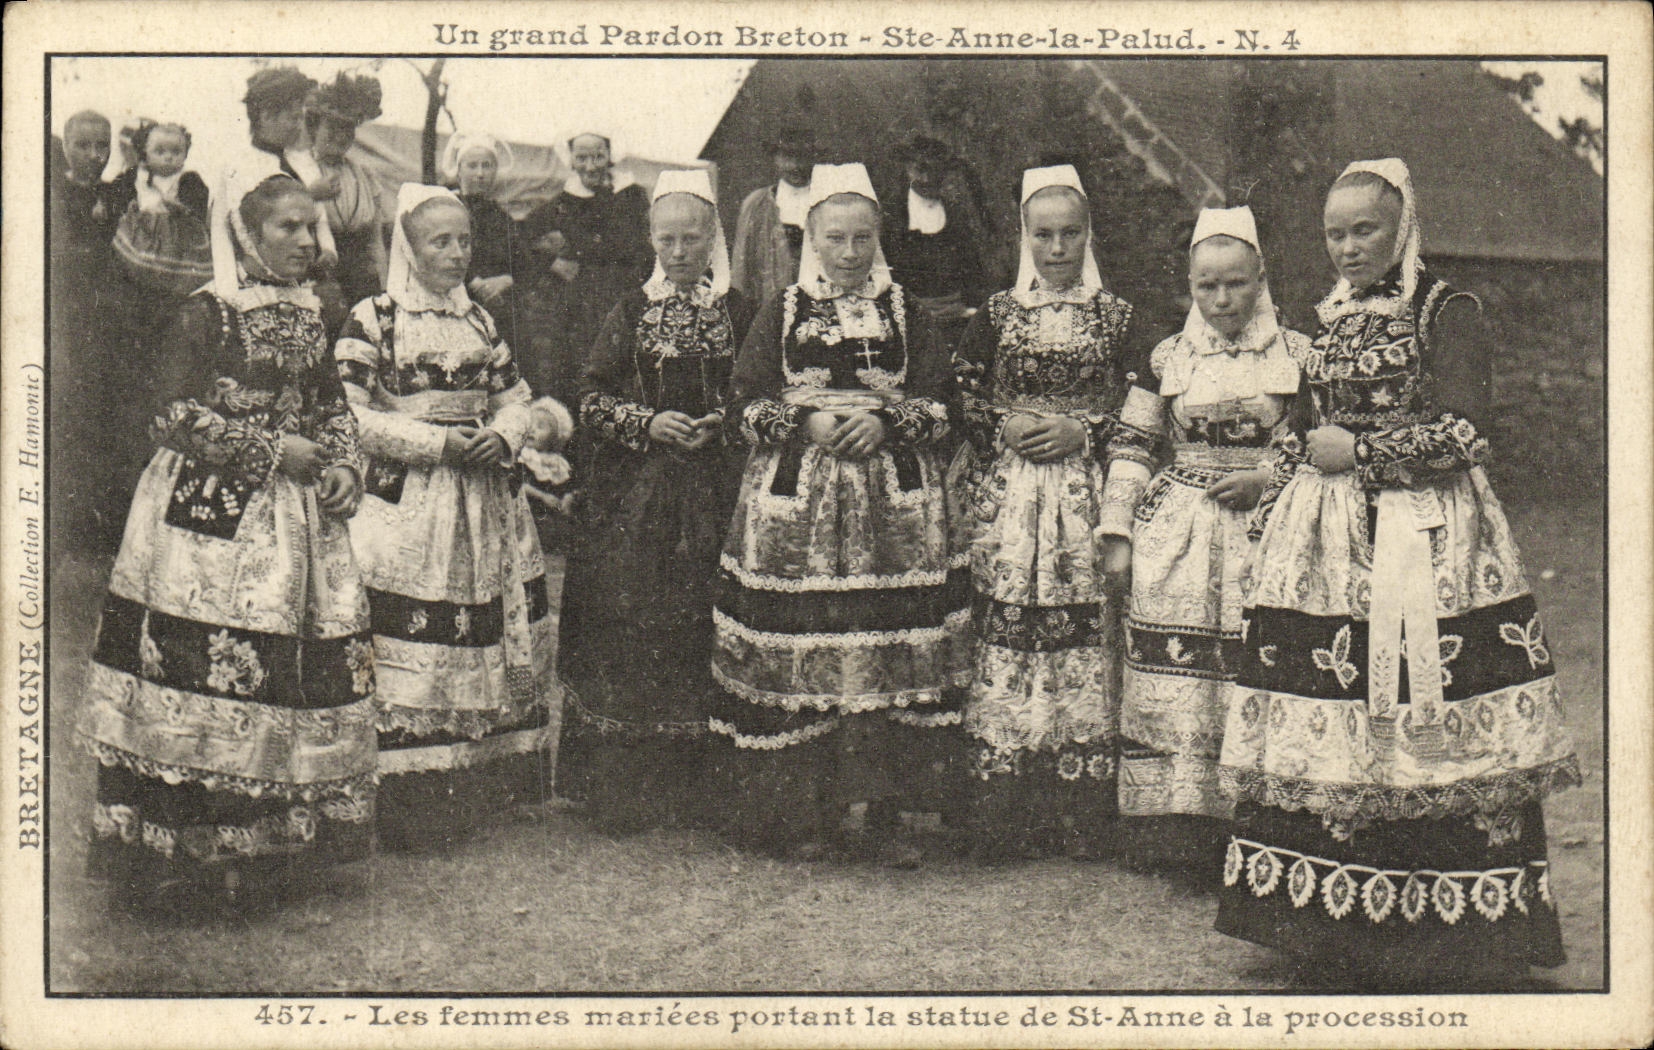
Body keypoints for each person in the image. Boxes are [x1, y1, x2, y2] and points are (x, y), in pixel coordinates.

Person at [1214, 159, 1579, 988]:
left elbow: (1467, 431)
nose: (1347, 248)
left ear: (1402, 226)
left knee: (1425, 706)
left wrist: (1367, 452)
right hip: (1329, 545)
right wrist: (1273, 475)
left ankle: (1453, 934)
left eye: (1364, 230)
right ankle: (1335, 932)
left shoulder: (1447, 309)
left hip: (1429, 539)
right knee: (1337, 712)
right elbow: (1306, 423)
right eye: (1335, 233)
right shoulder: (1330, 319)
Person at [76, 172, 376, 910]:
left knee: (285, 665)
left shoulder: (312, 312)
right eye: (288, 228)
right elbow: (167, 413)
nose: (308, 241)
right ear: (244, 234)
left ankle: (269, 848)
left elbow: (333, 406)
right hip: (206, 518)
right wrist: (270, 450)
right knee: (205, 663)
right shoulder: (208, 314)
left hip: (295, 520)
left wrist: (343, 464)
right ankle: (182, 854)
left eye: (312, 227)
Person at [709, 163, 968, 866]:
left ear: (878, 236)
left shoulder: (906, 310)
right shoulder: (784, 308)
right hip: (800, 503)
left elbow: (946, 401)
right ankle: (806, 815)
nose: (850, 254)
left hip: (893, 506)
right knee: (807, 653)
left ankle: (884, 814)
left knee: (881, 653)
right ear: (813, 238)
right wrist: (808, 426)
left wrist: (891, 423)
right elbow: (744, 402)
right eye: (835, 238)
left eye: (861, 238)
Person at [334, 184, 558, 852]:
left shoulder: (480, 323)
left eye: (464, 240)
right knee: (412, 638)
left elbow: (516, 396)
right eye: (441, 241)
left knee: (484, 629)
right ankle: (409, 794)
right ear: (409, 244)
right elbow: (347, 413)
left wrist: (507, 433)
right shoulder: (372, 318)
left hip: (483, 496)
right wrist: (434, 443)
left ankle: (477, 781)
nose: (457, 253)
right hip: (409, 503)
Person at [949, 164, 1153, 859]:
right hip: (1009, 499)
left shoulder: (1116, 316)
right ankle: (1003, 801)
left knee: (1086, 633)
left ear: (1087, 235)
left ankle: (1081, 804)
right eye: (1044, 235)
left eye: (1070, 234)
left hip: (1084, 498)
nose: (1058, 248)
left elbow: (1145, 404)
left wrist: (1086, 434)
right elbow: (962, 391)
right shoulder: (999, 315)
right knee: (1003, 628)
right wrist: (999, 426)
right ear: (1025, 238)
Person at [555, 169, 756, 831]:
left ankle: (704, 787)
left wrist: (723, 422)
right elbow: (589, 396)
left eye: (691, 237)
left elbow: (762, 392)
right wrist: (646, 423)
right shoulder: (631, 310)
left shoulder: (741, 310)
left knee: (712, 619)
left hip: (719, 488)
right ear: (650, 240)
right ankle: (628, 790)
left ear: (712, 238)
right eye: (666, 238)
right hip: (638, 496)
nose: (678, 252)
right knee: (636, 622)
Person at [1099, 206, 1310, 823]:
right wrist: (1119, 530)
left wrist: (1269, 478)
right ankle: (1174, 818)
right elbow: (1133, 444)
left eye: (1236, 283)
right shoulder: (1169, 356)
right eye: (1206, 286)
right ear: (1190, 286)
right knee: (1175, 668)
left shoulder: (1296, 353)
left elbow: (1317, 442)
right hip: (1177, 531)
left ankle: (1252, 816)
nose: (1222, 299)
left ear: (1261, 277)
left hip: (1266, 522)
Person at [520, 132, 653, 404]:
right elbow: (520, 238)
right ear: (571, 161)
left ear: (610, 157)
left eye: (598, 156)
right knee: (579, 373)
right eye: (582, 158)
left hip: (624, 296)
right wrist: (552, 262)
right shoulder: (563, 203)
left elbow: (645, 249)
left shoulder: (632, 197)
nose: (590, 166)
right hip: (579, 305)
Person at [50, 110, 126, 552]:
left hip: (108, 324)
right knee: (71, 418)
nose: (95, 155)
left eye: (103, 145)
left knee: (105, 417)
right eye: (84, 145)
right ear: (65, 146)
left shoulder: (115, 194)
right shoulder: (53, 193)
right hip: (68, 323)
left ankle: (99, 527)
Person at [881, 134, 993, 354]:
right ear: (908, 169)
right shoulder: (893, 214)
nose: (927, 178)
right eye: (920, 170)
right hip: (907, 320)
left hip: (954, 318)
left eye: (935, 171)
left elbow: (972, 268)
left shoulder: (955, 213)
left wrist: (969, 308)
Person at [292, 71, 387, 311]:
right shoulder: (298, 168)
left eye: (348, 127)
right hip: (315, 277)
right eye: (333, 126)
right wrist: (308, 194)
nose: (342, 135)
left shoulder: (364, 175)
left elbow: (375, 242)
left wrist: (386, 292)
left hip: (362, 280)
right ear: (314, 127)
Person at [441, 132, 531, 383]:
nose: (480, 173)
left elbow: (523, 262)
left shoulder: (501, 216)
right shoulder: (446, 207)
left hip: (498, 304)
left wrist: (506, 280)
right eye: (472, 165)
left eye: (487, 166)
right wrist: (473, 282)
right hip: (455, 298)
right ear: (458, 170)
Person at [730, 125, 817, 307]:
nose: (795, 166)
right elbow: (742, 265)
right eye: (787, 157)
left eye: (802, 157)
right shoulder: (756, 204)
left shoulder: (825, 201)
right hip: (768, 303)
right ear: (775, 158)